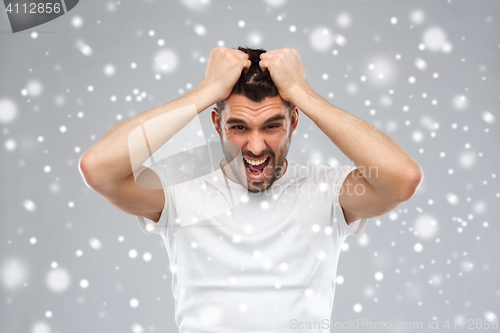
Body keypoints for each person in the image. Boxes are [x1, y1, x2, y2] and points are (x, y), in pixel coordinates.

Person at [79, 46, 423, 332]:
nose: (256, 147)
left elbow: (401, 178)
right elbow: (98, 169)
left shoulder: (326, 191)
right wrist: (206, 91)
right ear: (217, 124)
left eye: (272, 125)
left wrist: (302, 93)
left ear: (294, 121)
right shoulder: (180, 191)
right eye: (239, 126)